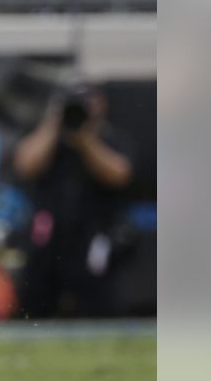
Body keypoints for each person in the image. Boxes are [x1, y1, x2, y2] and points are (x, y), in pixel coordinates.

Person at [12, 81, 135, 318]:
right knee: (36, 302)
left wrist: (85, 139)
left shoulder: (110, 138)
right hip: (49, 234)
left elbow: (120, 175)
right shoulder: (48, 139)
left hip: (95, 235)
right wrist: (54, 124)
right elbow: (25, 166)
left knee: (97, 305)